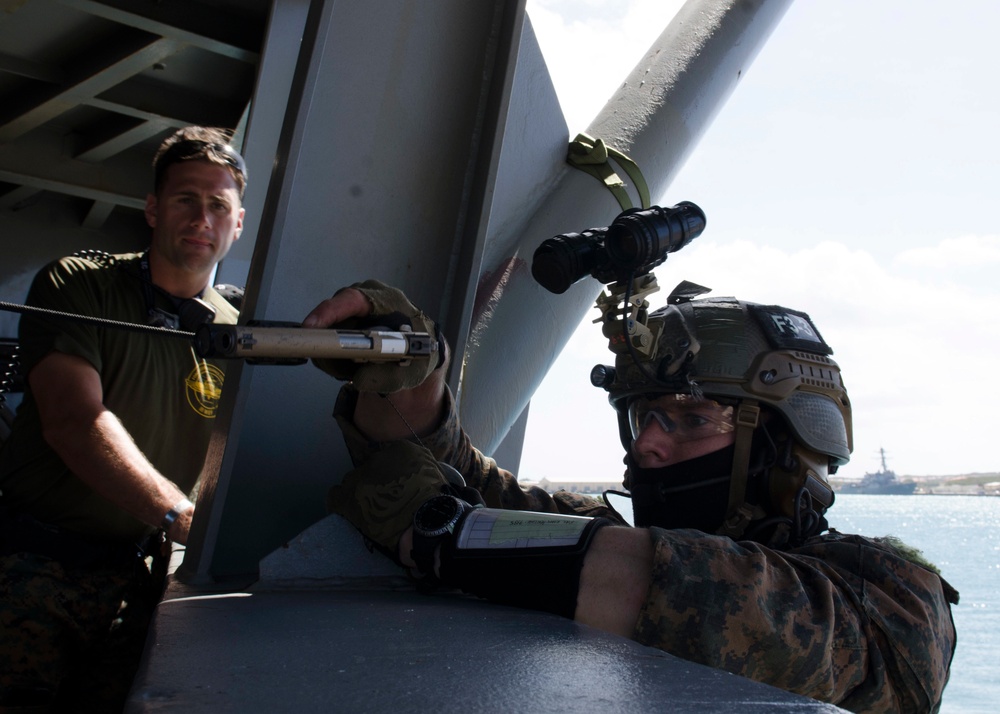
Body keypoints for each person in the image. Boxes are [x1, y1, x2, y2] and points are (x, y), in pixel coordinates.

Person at [305, 279, 958, 714]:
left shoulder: (892, 606)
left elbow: (712, 594)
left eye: (690, 419)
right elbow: (476, 484)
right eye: (641, 417)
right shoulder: (604, 537)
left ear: (784, 447)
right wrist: (412, 372)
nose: (646, 446)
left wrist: (443, 532)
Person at [0, 126, 246, 710]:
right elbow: (72, 420)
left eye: (218, 205)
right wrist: (181, 516)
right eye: (185, 199)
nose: (200, 218)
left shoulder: (236, 330)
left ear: (238, 223)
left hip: (139, 584)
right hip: (35, 567)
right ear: (154, 209)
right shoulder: (79, 283)